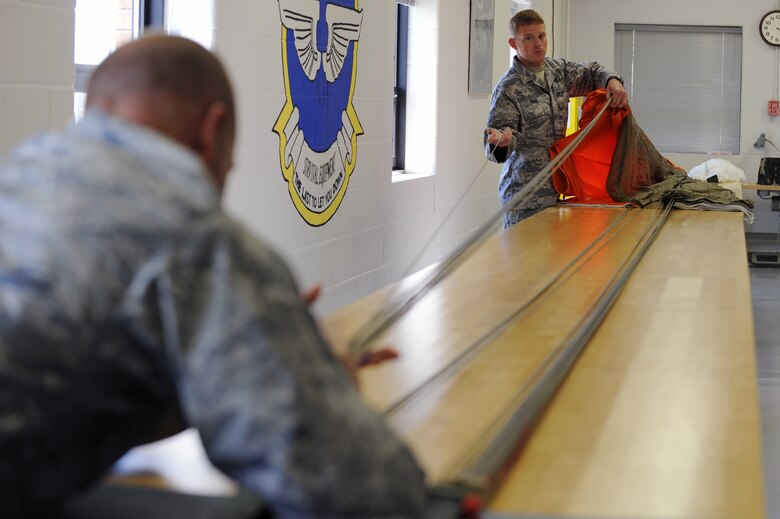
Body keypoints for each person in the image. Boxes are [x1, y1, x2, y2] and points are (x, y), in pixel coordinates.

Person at [0, 35, 426, 518]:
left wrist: (250, 354)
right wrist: (322, 386)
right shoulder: (193, 235)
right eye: (229, 160)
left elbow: (56, 399)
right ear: (213, 129)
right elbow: (370, 493)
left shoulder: (20, 175)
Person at [484, 9, 629, 228]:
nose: (538, 43)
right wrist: (500, 142)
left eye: (541, 36)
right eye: (529, 38)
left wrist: (612, 80)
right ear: (514, 43)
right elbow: (497, 141)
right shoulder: (508, 88)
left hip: (556, 189)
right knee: (525, 251)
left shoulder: (558, 71)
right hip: (524, 196)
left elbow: (592, 72)